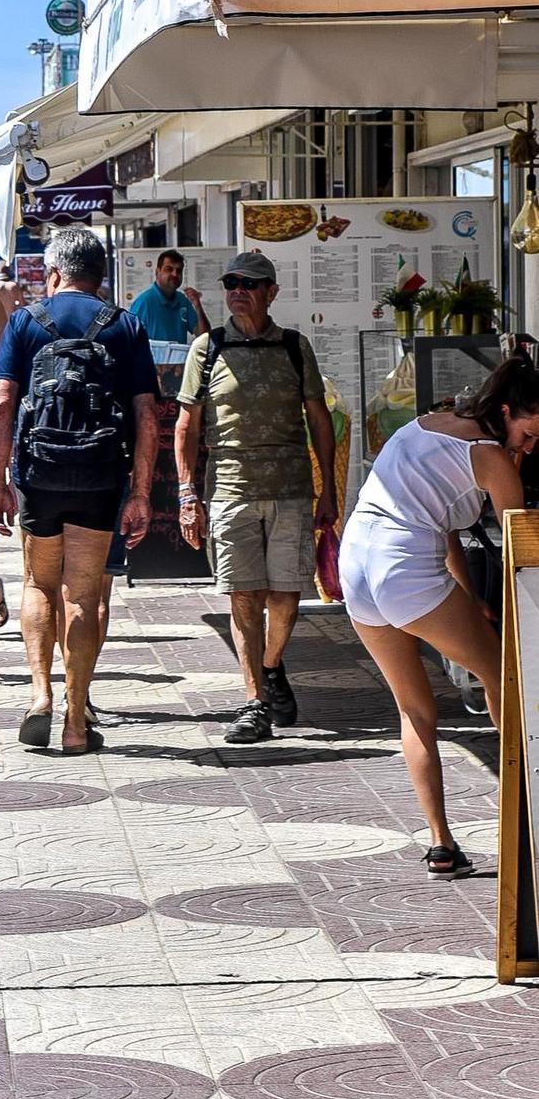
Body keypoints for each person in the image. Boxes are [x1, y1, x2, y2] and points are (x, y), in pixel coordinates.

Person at [339, 356, 539, 876]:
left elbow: (442, 519)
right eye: (529, 431)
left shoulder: (426, 422)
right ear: (504, 411)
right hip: (405, 566)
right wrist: (511, 464)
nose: (531, 444)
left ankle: (442, 845)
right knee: (505, 676)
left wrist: (469, 596)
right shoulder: (492, 455)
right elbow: (520, 542)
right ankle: (528, 808)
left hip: (356, 562)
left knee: (412, 709)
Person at [0, 227, 158, 754]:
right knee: (82, 593)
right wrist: (141, 493)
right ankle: (76, 720)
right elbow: (148, 414)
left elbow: (1, 406)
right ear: (100, 275)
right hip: (100, 474)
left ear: (54, 272)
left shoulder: (25, 322)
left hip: (41, 474)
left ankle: (39, 695)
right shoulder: (123, 324)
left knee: (39, 585)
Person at [175, 251, 336, 745]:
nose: (238, 290)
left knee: (288, 593)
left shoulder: (294, 346)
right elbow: (187, 425)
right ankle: (255, 702)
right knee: (243, 593)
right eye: (231, 282)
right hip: (229, 489)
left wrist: (328, 487)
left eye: (250, 283)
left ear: (271, 292)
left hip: (289, 489)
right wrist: (186, 492)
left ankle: (269, 667)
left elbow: (319, 420)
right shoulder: (207, 347)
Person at [129, 250, 208, 347]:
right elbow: (129, 341)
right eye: (169, 269)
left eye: (179, 271)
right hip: (152, 362)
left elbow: (204, 337)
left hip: (178, 362)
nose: (175, 274)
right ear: (157, 272)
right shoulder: (144, 302)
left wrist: (197, 305)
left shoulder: (183, 300)